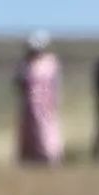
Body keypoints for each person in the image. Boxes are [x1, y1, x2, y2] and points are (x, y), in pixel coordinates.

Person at [15, 31, 63, 164]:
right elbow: (19, 83)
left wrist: (55, 100)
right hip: (30, 103)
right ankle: (31, 157)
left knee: (46, 130)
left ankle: (49, 156)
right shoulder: (25, 64)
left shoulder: (50, 62)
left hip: (46, 103)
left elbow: (56, 84)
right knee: (30, 131)